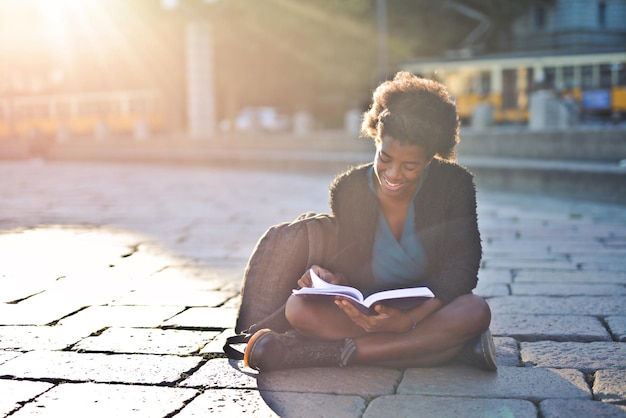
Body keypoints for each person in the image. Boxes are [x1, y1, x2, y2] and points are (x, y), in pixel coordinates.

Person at [229, 71, 496, 372]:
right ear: (377, 140)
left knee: (475, 310)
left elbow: (463, 267)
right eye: (385, 158)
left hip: (427, 309)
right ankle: (446, 350)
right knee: (298, 309)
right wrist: (334, 281)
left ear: (430, 159)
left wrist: (410, 320)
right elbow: (353, 260)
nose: (393, 174)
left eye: (410, 166)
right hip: (364, 311)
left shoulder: (454, 184)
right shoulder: (349, 188)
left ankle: (332, 353)